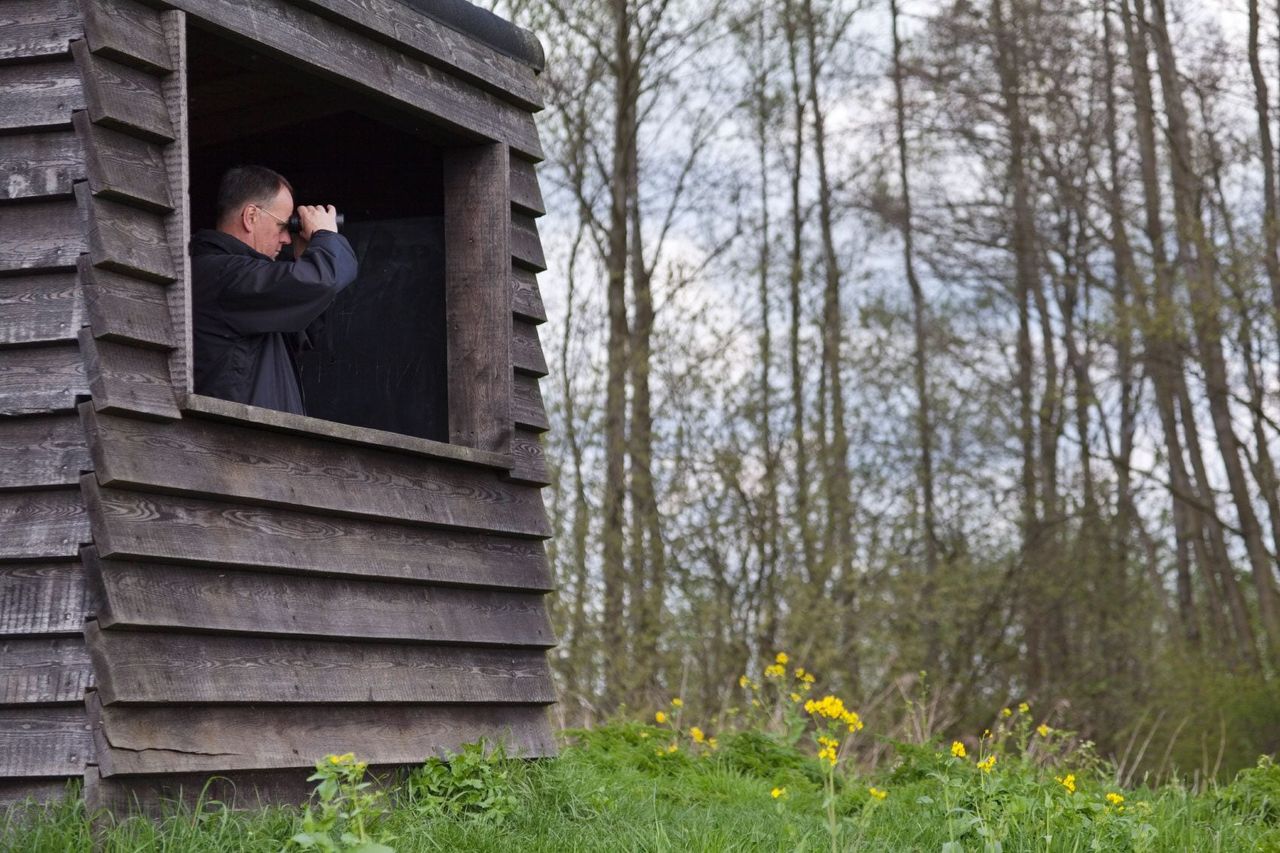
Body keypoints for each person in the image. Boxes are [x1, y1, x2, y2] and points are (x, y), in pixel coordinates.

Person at [192, 165, 358, 415]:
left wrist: (308, 256)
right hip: (237, 446)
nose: (287, 239)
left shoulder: (240, 285)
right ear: (251, 216)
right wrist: (325, 236)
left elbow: (302, 333)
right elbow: (324, 280)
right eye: (283, 225)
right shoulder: (221, 274)